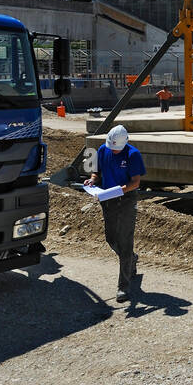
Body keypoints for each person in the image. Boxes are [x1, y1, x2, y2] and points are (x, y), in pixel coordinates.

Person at [84, 124, 146, 303]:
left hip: (126, 200)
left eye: (117, 149)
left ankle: (123, 287)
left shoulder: (133, 155)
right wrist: (93, 180)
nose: (114, 151)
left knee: (125, 241)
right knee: (110, 238)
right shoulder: (103, 149)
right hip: (107, 199)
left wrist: (120, 190)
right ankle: (131, 259)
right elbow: (97, 171)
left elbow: (135, 182)